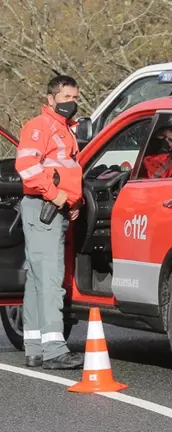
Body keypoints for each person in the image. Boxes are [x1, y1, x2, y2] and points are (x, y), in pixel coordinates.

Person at [15, 75, 84, 369]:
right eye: (67, 97)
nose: (72, 103)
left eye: (75, 97)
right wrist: (56, 197)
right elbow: (26, 167)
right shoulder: (39, 127)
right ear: (51, 99)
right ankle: (54, 349)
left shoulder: (65, 130)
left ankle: (34, 347)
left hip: (55, 207)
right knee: (51, 279)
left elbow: (67, 169)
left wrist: (73, 201)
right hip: (44, 207)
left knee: (37, 280)